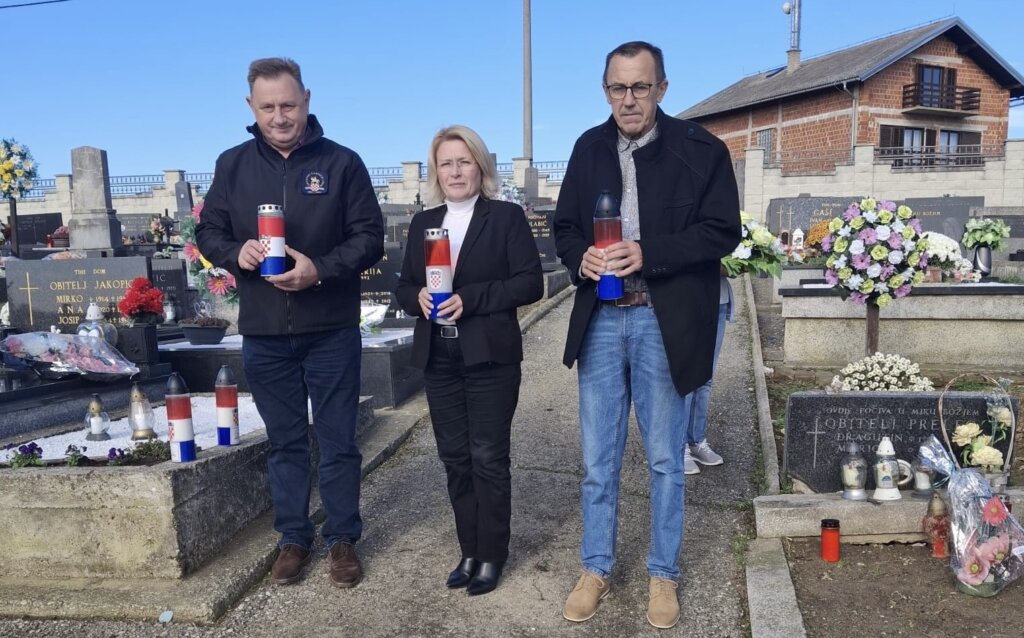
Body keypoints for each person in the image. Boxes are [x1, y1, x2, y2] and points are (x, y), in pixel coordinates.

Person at [553, 41, 741, 629]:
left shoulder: (700, 149)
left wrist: (648, 253)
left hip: (663, 320)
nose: (628, 99)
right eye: (617, 88)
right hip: (603, 322)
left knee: (664, 458)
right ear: (604, 89)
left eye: (639, 87)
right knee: (598, 460)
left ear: (662, 87)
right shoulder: (588, 147)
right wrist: (578, 256)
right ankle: (596, 567)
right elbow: (563, 226)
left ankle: (664, 574)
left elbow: (722, 232)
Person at [196, 57, 384, 589]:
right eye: (268, 106)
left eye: (289, 104)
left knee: (338, 439)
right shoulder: (232, 165)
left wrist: (318, 270)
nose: (279, 116)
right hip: (264, 333)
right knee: (284, 443)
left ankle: (343, 537)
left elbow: (369, 237)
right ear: (250, 107)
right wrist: (239, 253)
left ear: (306, 99)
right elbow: (207, 233)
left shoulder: (343, 163)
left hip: (330, 328)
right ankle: (293, 538)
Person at [395, 125, 543, 596]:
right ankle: (469, 549)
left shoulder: (504, 218)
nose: (455, 171)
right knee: (455, 458)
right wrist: (415, 294)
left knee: (487, 457)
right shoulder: (424, 222)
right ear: (437, 171)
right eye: (446, 163)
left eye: (464, 161)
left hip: (489, 357)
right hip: (440, 355)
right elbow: (402, 286)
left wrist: (470, 298)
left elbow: (529, 283)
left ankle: (493, 554)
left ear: (480, 166)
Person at [683, 274, 732, 475]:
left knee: (705, 378)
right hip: (685, 298)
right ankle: (679, 446)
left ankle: (696, 441)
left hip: (718, 297)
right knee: (685, 377)